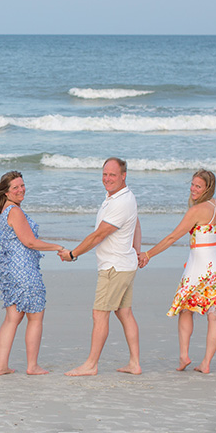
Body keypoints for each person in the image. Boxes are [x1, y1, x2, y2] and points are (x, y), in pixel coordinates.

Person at [139, 170, 216, 374]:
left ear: (208, 188)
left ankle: (184, 356)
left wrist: (149, 254)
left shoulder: (196, 211)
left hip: (202, 266)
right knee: (214, 314)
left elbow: (172, 238)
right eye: (192, 184)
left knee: (184, 308)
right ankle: (205, 363)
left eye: (198, 186)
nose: (193, 189)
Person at [59, 158, 143, 376]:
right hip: (124, 263)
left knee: (99, 314)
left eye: (112, 175)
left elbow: (98, 235)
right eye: (105, 174)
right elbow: (136, 223)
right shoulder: (120, 197)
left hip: (114, 267)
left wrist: (72, 254)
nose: (107, 178)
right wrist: (137, 250)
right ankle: (134, 363)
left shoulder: (120, 202)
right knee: (124, 313)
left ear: (123, 175)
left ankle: (91, 364)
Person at [0, 172, 66, 376]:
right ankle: (32, 365)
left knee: (12, 318)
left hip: (10, 269)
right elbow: (30, 242)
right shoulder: (14, 211)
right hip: (24, 270)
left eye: (22, 185)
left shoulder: (3, 211)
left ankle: (2, 366)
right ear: (6, 191)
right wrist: (57, 246)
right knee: (35, 316)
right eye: (15, 187)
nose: (21, 189)